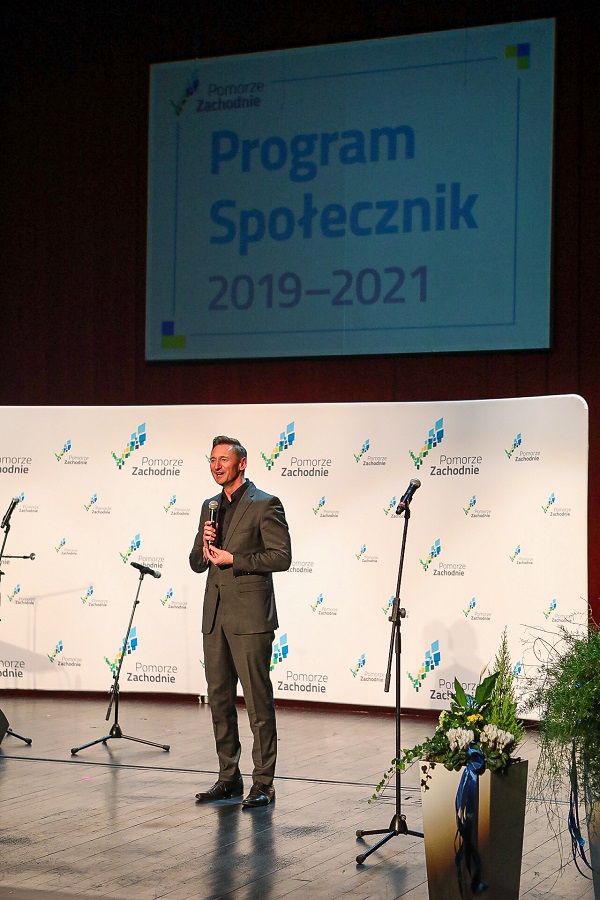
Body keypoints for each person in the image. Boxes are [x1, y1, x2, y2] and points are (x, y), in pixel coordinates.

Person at [189, 435, 292, 808]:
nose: (216, 466)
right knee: (219, 700)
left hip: (250, 618)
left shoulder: (265, 504)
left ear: (242, 463)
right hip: (215, 617)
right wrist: (204, 549)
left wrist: (236, 559)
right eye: (212, 459)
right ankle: (228, 778)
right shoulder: (210, 506)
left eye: (223, 459)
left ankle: (263, 783)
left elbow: (281, 557)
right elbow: (196, 562)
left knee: (257, 703)